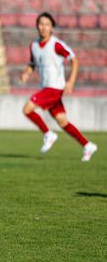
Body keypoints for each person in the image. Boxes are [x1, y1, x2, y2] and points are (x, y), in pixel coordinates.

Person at [21, 12, 97, 162]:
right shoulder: (34, 45)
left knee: (27, 109)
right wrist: (26, 73)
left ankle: (48, 134)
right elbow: (32, 64)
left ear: (52, 28)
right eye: (41, 24)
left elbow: (74, 60)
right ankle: (87, 145)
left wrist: (71, 82)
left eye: (47, 25)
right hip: (47, 87)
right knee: (62, 121)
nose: (43, 27)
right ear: (37, 26)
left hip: (54, 87)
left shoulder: (56, 44)